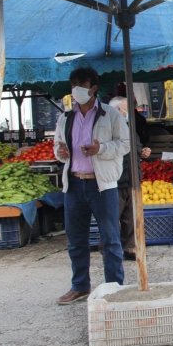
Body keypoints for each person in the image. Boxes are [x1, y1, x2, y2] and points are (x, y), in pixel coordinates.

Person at [53, 67, 130, 305]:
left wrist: (101, 149)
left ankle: (114, 287)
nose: (77, 89)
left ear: (94, 88)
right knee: (76, 240)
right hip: (74, 184)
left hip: (102, 185)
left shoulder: (111, 115)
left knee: (110, 239)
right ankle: (80, 286)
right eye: (74, 84)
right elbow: (57, 148)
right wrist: (61, 152)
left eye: (82, 84)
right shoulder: (66, 117)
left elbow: (125, 144)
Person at [108, 96, 151, 261]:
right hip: (115, 179)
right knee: (113, 216)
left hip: (132, 177)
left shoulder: (129, 127)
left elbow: (138, 147)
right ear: (115, 111)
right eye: (125, 110)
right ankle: (110, 248)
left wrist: (144, 152)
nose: (127, 113)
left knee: (131, 216)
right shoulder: (107, 129)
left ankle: (131, 248)